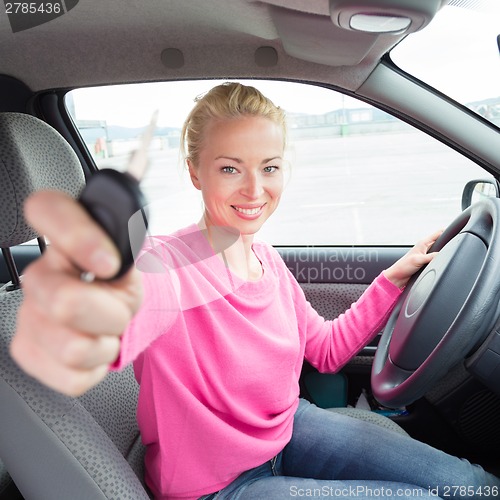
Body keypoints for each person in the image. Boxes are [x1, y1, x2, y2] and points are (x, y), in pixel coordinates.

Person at [11, 83, 499, 499]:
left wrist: (395, 279)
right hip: (220, 488)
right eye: (229, 168)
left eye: (269, 167)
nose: (253, 189)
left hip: (289, 430)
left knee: (467, 483)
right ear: (194, 172)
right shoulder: (166, 265)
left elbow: (325, 352)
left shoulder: (265, 257)